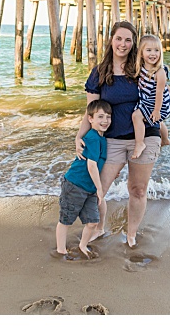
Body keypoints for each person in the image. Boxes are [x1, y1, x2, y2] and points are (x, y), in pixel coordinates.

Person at [76, 21, 163, 248]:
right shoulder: (100, 72)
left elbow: (163, 93)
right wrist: (79, 137)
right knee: (98, 189)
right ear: (111, 40)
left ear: (134, 43)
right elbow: (91, 112)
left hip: (143, 137)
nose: (122, 44)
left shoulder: (142, 69)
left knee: (138, 189)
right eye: (118, 38)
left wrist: (164, 113)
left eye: (128, 40)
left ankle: (131, 234)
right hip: (112, 138)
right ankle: (98, 228)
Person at [56, 99, 111, 259]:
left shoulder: (102, 139)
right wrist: (100, 190)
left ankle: (83, 245)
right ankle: (61, 250)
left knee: (93, 221)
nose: (105, 121)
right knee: (66, 219)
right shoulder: (93, 137)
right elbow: (91, 166)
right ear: (90, 119)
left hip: (89, 188)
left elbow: (100, 163)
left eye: (108, 117)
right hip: (75, 184)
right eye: (100, 117)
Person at [131, 34, 170, 159]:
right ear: (141, 53)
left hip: (158, 103)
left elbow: (160, 92)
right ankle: (165, 140)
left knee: (136, 116)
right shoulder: (142, 67)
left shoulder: (159, 72)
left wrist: (156, 110)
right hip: (149, 99)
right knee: (156, 121)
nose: (153, 54)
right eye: (148, 50)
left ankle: (140, 143)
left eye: (157, 50)